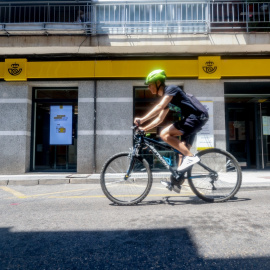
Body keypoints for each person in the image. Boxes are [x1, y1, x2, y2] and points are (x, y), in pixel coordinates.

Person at [134, 69, 209, 176]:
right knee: (182, 153)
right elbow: (159, 119)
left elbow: (159, 107)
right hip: (193, 119)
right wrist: (145, 128)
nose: (148, 87)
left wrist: (141, 120)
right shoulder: (169, 98)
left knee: (164, 133)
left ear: (158, 83)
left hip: (196, 117)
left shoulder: (171, 89)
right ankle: (178, 181)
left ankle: (191, 158)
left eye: (150, 84)